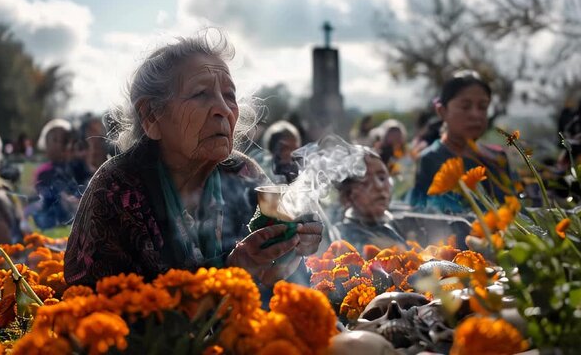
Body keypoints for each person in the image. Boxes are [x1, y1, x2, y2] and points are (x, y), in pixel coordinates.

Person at [64, 30, 323, 288]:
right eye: (201, 94)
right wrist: (230, 271)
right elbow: (99, 308)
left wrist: (293, 242)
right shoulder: (117, 188)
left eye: (229, 95)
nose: (223, 109)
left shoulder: (243, 173)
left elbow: (274, 275)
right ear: (151, 116)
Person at [409, 71, 516, 213]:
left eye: (483, 107)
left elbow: (512, 211)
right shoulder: (430, 159)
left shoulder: (497, 158)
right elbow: (421, 216)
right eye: (465, 107)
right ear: (442, 112)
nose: (475, 115)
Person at [333, 147, 406, 253]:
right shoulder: (340, 238)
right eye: (365, 181)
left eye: (382, 178)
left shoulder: (394, 228)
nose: (379, 186)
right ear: (347, 196)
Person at [32, 119, 85, 229]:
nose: (60, 144)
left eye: (65, 140)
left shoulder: (77, 167)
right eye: (54, 140)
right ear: (45, 144)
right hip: (53, 222)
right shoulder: (45, 172)